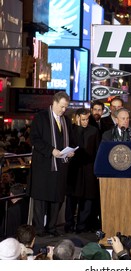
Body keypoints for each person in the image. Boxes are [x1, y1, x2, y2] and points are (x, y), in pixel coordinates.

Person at [29, 91, 75, 237]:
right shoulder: (41, 117)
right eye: (61, 106)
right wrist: (51, 150)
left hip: (61, 166)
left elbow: (70, 140)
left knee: (57, 198)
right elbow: (35, 139)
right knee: (41, 199)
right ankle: (39, 229)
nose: (63, 110)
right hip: (44, 165)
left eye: (65, 107)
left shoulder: (66, 120)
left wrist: (70, 151)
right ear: (54, 102)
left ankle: (52, 227)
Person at [65, 108, 101, 233]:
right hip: (74, 169)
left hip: (89, 170)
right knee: (71, 200)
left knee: (87, 200)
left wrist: (97, 170)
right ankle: (69, 225)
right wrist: (79, 126)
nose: (85, 122)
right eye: (83, 119)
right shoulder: (71, 129)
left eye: (87, 119)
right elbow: (75, 145)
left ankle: (82, 226)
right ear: (77, 118)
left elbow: (97, 151)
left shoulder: (94, 130)